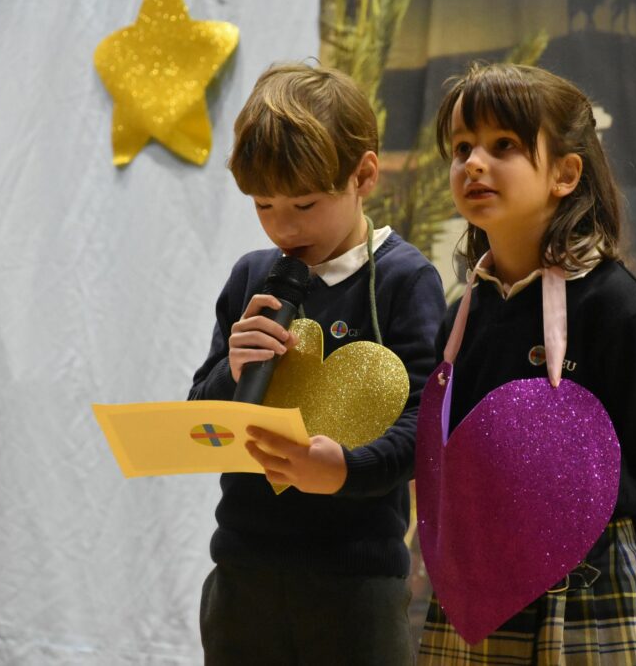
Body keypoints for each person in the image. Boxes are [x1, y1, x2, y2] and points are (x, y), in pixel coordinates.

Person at [414, 62, 636, 664]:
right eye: (462, 148)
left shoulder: (615, 307)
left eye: (504, 147)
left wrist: (618, 558)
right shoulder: (461, 318)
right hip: (475, 601)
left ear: (565, 174)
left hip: (589, 597)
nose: (474, 163)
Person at [188, 63, 445, 665]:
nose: (284, 225)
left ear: (364, 175)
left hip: (355, 583)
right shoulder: (253, 277)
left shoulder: (406, 280)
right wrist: (233, 366)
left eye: (304, 202)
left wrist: (346, 470)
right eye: (264, 205)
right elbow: (202, 419)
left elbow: (424, 426)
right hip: (241, 573)